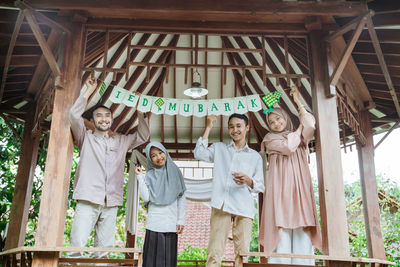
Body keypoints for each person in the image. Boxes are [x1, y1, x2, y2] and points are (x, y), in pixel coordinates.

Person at [68, 76, 150, 258]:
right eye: (99, 116)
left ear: (111, 120)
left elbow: (143, 136)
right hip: (87, 199)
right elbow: (74, 116)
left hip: (111, 202)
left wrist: (140, 111)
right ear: (93, 119)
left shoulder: (121, 141)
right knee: (76, 248)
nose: (103, 119)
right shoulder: (85, 137)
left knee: (104, 251)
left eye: (107, 116)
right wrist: (87, 91)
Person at [259, 86, 323, 265]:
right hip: (280, 192)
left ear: (285, 117)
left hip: (299, 191)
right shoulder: (270, 139)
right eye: (271, 122)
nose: (276, 124)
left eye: (278, 118)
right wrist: (299, 128)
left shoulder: (301, 138)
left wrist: (297, 101)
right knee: (282, 237)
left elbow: (310, 124)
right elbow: (287, 147)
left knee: (303, 235)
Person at [194, 113, 265, 267]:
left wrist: (248, 180)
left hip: (243, 208)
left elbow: (260, 186)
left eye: (239, 126)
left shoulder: (255, 157)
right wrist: (208, 127)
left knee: (242, 253)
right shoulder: (219, 148)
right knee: (215, 251)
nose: (235, 130)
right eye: (231, 126)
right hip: (221, 204)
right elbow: (199, 153)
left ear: (247, 127)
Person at [134, 142, 186, 267]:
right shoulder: (149, 175)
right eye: (153, 155)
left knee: (168, 262)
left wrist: (181, 220)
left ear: (165, 152)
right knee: (151, 262)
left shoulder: (176, 172)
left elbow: (181, 197)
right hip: (154, 224)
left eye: (160, 152)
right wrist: (140, 177)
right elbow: (146, 197)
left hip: (170, 223)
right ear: (150, 159)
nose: (159, 157)